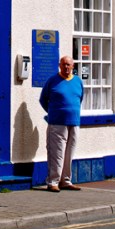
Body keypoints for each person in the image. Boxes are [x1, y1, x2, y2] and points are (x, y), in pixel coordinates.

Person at [39, 55, 84, 192]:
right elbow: (43, 99)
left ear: (73, 66)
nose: (66, 67)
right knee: (57, 153)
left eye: (68, 65)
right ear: (59, 65)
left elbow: (80, 98)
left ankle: (66, 181)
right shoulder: (52, 81)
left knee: (69, 153)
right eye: (63, 64)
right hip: (57, 123)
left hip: (74, 122)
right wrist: (54, 112)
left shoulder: (78, 81)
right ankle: (53, 182)